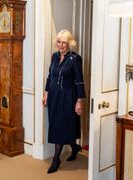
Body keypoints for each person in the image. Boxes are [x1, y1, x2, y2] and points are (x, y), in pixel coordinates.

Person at [42, 29, 86, 174]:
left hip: (68, 97)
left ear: (69, 44)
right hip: (54, 95)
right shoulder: (54, 56)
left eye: (64, 43)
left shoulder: (75, 58)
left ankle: (56, 159)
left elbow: (79, 81)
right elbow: (50, 76)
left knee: (62, 124)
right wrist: (46, 94)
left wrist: (79, 101)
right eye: (59, 42)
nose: (61, 45)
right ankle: (74, 147)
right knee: (57, 124)